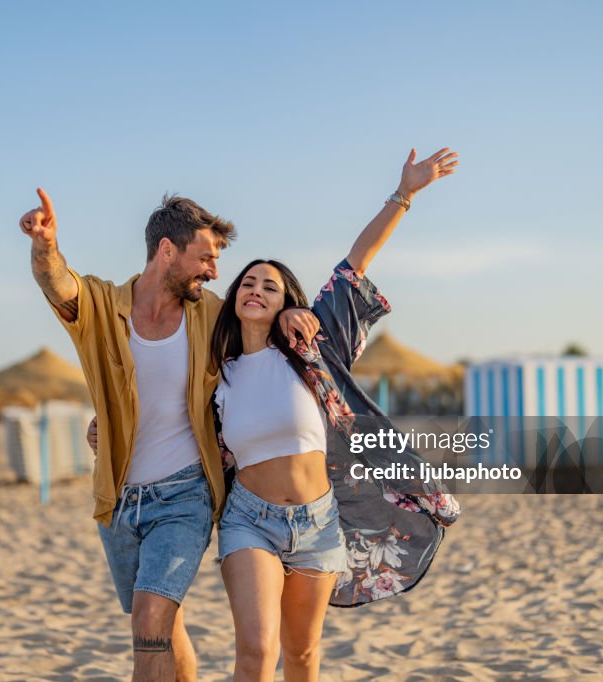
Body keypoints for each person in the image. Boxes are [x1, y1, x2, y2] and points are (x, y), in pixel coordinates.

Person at [18, 190, 318, 682]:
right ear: (166, 251)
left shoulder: (212, 314)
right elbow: (57, 284)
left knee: (150, 620)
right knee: (163, 625)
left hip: (186, 494)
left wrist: (286, 315)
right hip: (117, 498)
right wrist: (45, 245)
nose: (214, 271)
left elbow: (261, 319)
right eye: (205, 258)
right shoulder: (101, 306)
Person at [209, 147, 462, 681]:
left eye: (270, 286)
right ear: (234, 297)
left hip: (319, 523)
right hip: (248, 520)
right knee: (256, 650)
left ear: (286, 302)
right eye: (248, 283)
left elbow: (356, 263)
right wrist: (107, 428)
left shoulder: (313, 348)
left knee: (302, 656)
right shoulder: (214, 372)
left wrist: (405, 194)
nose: (256, 290)